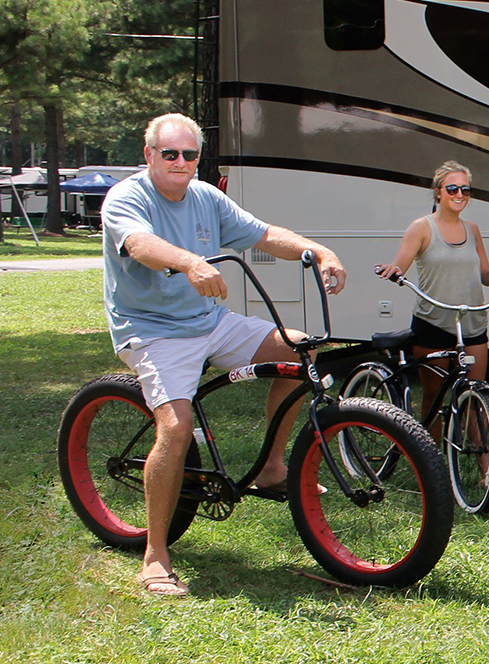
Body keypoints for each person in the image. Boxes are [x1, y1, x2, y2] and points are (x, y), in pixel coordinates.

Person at [100, 112, 347, 597]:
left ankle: (273, 467)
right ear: (149, 155)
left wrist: (318, 251)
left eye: (189, 154)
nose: (180, 162)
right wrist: (189, 261)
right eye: (169, 153)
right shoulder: (127, 198)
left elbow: (263, 234)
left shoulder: (206, 197)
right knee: (174, 427)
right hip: (152, 332)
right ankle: (155, 556)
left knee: (300, 353)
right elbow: (140, 243)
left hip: (210, 321)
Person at [376, 161, 489, 405]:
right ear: (438, 192)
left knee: (476, 395)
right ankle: (431, 444)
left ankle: (480, 444)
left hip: (472, 322)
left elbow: (483, 275)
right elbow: (400, 267)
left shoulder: (472, 230)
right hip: (433, 322)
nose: (460, 194)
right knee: (433, 397)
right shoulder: (421, 227)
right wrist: (392, 270)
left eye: (465, 189)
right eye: (452, 189)